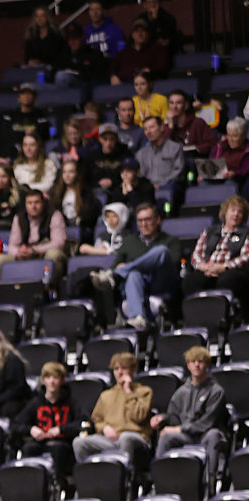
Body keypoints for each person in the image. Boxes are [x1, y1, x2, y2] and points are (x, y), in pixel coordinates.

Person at [151, 344, 228, 484]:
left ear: (207, 365)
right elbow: (174, 417)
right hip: (186, 436)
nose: (196, 365)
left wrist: (180, 429)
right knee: (166, 436)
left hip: (205, 435)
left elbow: (208, 422)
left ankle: (211, 481)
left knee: (214, 435)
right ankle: (159, 482)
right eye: (193, 361)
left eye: (200, 361)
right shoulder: (181, 392)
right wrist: (162, 418)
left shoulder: (216, 391)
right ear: (188, 365)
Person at [73, 350, 153, 468]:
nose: (119, 372)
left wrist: (128, 391)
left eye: (124, 368)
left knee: (126, 437)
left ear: (133, 370)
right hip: (111, 440)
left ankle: (125, 475)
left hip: (137, 438)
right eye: (116, 369)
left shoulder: (144, 391)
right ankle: (89, 475)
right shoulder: (106, 395)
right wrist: (104, 428)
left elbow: (139, 416)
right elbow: (96, 420)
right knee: (79, 442)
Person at [184, 195, 249, 317]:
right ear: (225, 212)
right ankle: (198, 317)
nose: (236, 214)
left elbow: (246, 256)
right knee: (191, 281)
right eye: (233, 210)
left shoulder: (246, 234)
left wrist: (224, 267)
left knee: (228, 280)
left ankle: (223, 317)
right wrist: (204, 267)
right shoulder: (209, 231)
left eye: (240, 212)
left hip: (231, 271)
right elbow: (196, 254)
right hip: (208, 269)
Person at [12, 360, 80, 470]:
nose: (52, 381)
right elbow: (15, 426)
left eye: (56, 377)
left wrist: (61, 430)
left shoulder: (71, 402)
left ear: (62, 380)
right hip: (39, 443)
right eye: (48, 377)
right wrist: (31, 430)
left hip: (62, 444)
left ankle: (59, 479)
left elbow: (84, 423)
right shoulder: (35, 402)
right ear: (43, 380)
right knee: (28, 449)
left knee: (59, 450)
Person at [0, 187, 67, 281]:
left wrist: (35, 250)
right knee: (0, 260)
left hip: (44, 253)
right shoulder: (19, 218)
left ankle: (51, 287)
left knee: (54, 254)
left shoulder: (54, 215)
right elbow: (11, 246)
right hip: (25, 255)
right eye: (29, 203)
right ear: (25, 205)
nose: (33, 206)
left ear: (43, 203)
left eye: (37, 202)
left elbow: (59, 243)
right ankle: (10, 287)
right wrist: (19, 252)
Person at [24, 6, 68, 72]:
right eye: (37, 16)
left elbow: (61, 55)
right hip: (35, 68)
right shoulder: (31, 34)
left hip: (53, 68)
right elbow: (27, 56)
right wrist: (30, 61)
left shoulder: (56, 34)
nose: (39, 19)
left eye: (42, 16)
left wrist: (46, 64)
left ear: (47, 17)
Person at [209, 118, 249, 183]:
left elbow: (244, 170)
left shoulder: (247, 150)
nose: (230, 139)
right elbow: (211, 163)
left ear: (244, 135)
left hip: (236, 181)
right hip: (216, 179)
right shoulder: (221, 145)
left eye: (234, 136)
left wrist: (234, 173)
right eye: (229, 135)